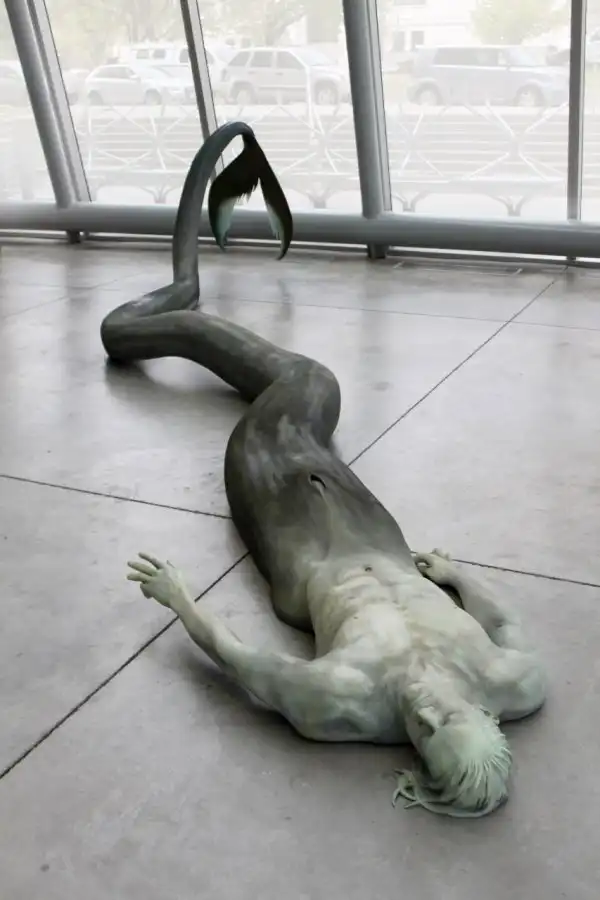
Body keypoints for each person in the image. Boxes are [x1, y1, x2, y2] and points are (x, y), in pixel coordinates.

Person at [102, 123, 546, 818]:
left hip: (291, 535)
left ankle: (161, 313)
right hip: (371, 528)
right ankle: (174, 300)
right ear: (488, 721)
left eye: (424, 740)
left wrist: (181, 599)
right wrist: (460, 578)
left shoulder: (345, 703)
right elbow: (511, 626)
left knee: (292, 404)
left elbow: (249, 665)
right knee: (311, 386)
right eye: (450, 721)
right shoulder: (511, 683)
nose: (425, 716)